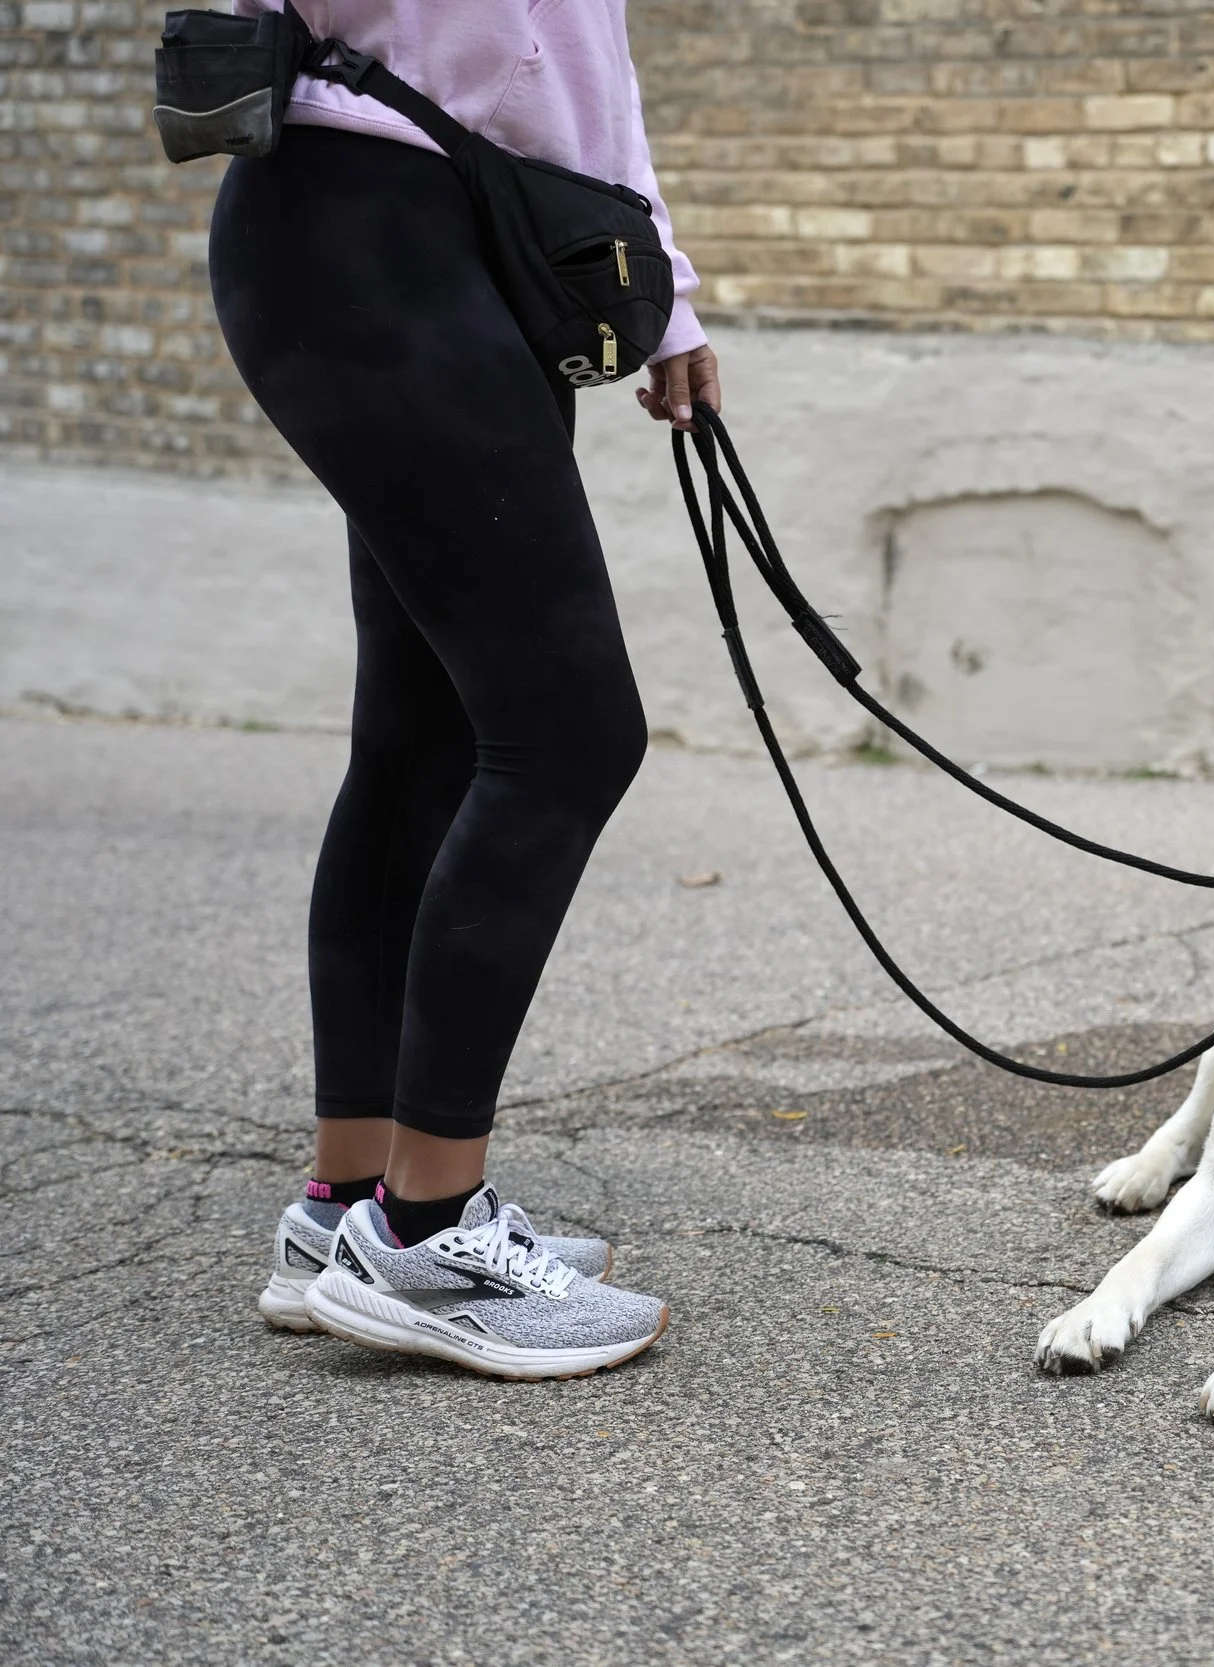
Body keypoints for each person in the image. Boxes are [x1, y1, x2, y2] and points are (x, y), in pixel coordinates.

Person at [214, 1, 716, 1378]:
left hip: (451, 236)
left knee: (425, 737)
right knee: (566, 734)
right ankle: (430, 1233)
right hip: (369, 224)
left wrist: (658, 284)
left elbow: (568, 49)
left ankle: (348, 1202)